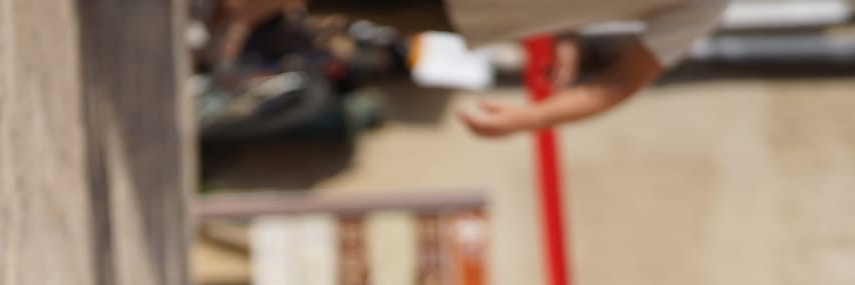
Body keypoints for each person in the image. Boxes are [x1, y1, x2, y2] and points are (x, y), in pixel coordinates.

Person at [209, 2, 732, 138]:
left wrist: (526, 118)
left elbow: (620, 81)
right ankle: (236, 19)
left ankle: (237, 18)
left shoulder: (701, 7)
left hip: (470, 11)